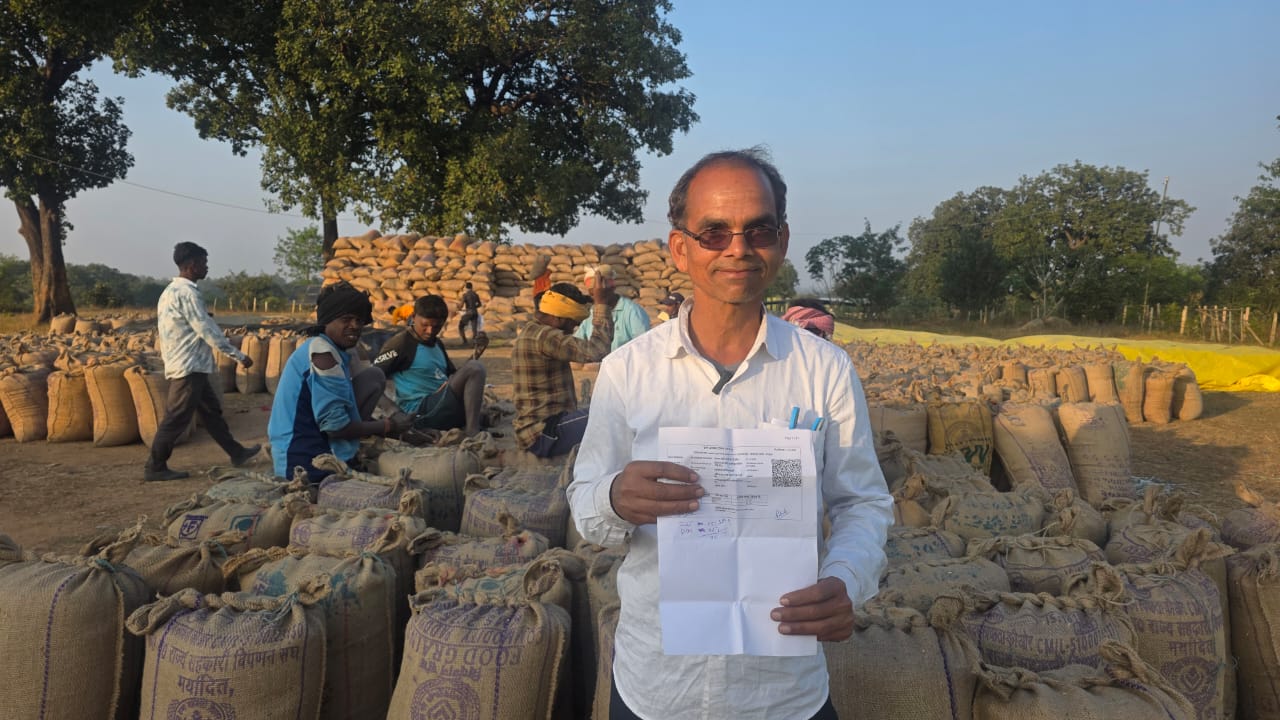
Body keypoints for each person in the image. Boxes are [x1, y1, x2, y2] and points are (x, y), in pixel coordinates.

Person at [569, 148, 893, 720]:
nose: (738, 248)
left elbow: (861, 502)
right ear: (681, 248)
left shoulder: (824, 370)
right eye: (714, 232)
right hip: (657, 687)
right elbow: (584, 500)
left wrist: (846, 578)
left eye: (758, 230)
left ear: (781, 241)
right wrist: (615, 497)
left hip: (782, 692)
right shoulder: (628, 371)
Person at [268, 281, 411, 483]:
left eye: (359, 320)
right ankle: (342, 458)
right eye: (346, 319)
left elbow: (365, 391)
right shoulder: (323, 355)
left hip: (317, 443)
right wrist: (388, 426)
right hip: (302, 461)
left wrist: (398, 423)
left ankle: (348, 452)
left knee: (374, 376)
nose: (355, 325)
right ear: (327, 321)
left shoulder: (336, 350)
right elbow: (336, 427)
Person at [145, 242, 262, 481]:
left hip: (188, 362)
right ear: (192, 265)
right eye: (203, 263)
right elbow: (206, 330)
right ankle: (155, 467)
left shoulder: (170, 291)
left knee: (211, 413)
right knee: (177, 417)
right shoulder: (188, 293)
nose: (207, 267)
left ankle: (237, 452)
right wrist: (238, 355)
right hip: (189, 365)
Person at [512, 281, 613, 458]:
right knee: (612, 415)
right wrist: (601, 304)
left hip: (542, 430)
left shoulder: (534, 331)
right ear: (558, 318)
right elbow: (597, 350)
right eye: (572, 324)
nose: (573, 329)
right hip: (544, 434)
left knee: (606, 410)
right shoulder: (544, 336)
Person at [374, 294, 488, 437]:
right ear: (413, 317)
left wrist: (476, 353)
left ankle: (469, 423)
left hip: (441, 404)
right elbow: (371, 380)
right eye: (425, 325)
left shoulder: (437, 343)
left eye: (436, 326)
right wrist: (394, 412)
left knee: (481, 411)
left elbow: (455, 377)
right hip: (420, 410)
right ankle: (472, 432)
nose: (430, 331)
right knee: (475, 368)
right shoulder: (401, 343)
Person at [572, 265, 650, 352]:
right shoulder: (592, 313)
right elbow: (577, 343)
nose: (597, 297)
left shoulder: (632, 311)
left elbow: (643, 347)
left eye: (601, 293)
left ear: (612, 288)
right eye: (593, 294)